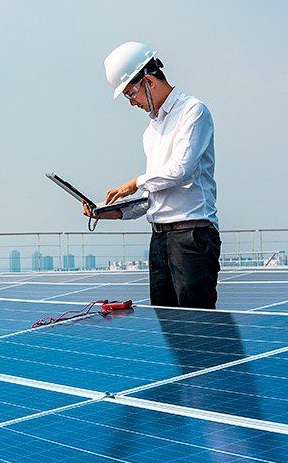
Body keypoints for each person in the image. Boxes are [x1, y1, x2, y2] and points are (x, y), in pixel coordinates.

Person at [84, 41, 221, 309]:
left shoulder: (193, 111)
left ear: (148, 81)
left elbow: (181, 170)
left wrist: (134, 183)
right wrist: (108, 212)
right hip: (160, 240)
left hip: (191, 236)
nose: (131, 102)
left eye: (129, 94)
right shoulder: (151, 131)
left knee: (197, 329)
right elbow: (153, 195)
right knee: (168, 326)